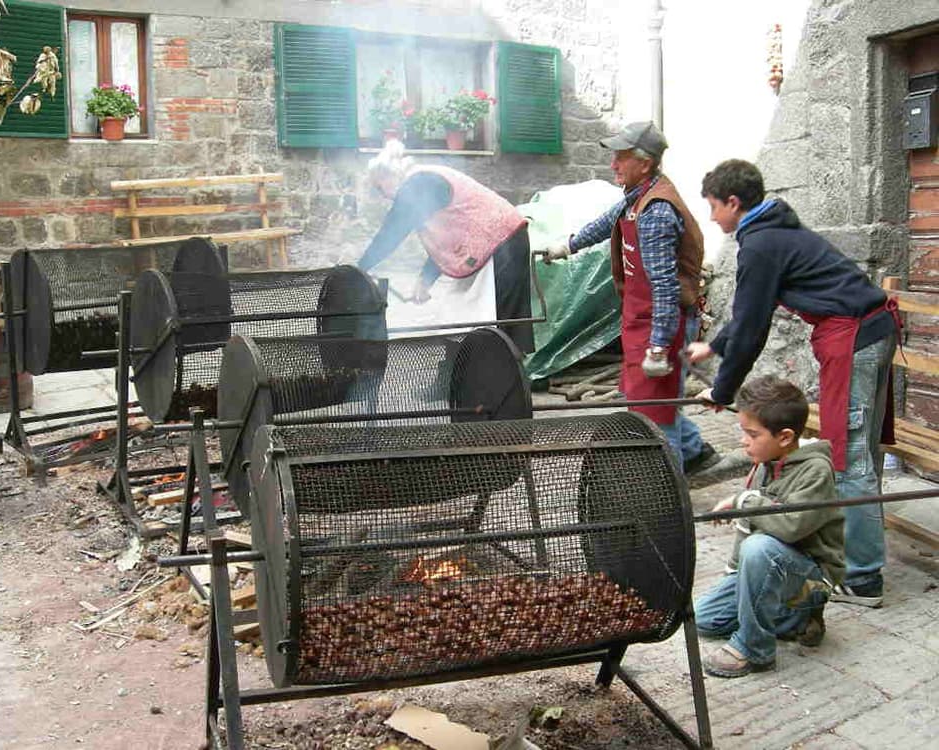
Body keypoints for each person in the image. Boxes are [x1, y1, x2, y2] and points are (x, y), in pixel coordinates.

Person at [690, 159, 899, 608]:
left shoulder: (760, 243)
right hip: (869, 332)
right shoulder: (774, 231)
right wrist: (714, 347)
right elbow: (751, 311)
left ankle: (863, 580)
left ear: (733, 202)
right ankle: (856, 556)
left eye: (712, 207)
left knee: (848, 458)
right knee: (859, 453)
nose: (711, 217)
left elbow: (752, 325)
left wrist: (723, 392)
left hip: (854, 338)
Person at [544, 121, 718, 473]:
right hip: (643, 320)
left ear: (646, 163)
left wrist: (658, 347)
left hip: (659, 324)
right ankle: (697, 453)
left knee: (654, 413)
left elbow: (665, 288)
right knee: (653, 401)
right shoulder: (636, 198)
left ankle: (666, 487)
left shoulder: (655, 212)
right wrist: (566, 246)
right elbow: (605, 223)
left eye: (621, 157)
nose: (613, 164)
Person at [695, 375, 843, 678]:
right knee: (703, 619)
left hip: (810, 579)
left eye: (751, 434)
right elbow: (749, 524)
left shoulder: (816, 471)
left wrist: (744, 501)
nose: (743, 441)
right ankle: (793, 620)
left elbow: (790, 526)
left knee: (761, 548)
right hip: (774, 569)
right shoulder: (767, 461)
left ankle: (754, 648)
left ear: (785, 437)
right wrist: (734, 575)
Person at [357, 140, 534, 353]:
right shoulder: (422, 184)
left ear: (389, 175)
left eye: (379, 187)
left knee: (500, 318)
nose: (382, 194)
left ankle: (508, 378)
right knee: (470, 315)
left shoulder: (419, 183)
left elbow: (391, 233)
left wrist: (360, 268)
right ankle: (478, 373)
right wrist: (425, 280)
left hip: (502, 241)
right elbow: (446, 241)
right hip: (496, 242)